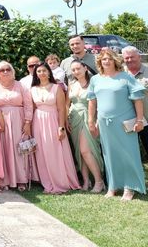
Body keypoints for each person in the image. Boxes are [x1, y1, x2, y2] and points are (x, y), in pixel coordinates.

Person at [87, 50, 146, 201]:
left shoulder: (126, 77)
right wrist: (91, 121)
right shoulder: (95, 79)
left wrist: (139, 120)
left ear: (115, 61)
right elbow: (92, 101)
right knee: (109, 155)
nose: (106, 61)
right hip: (105, 123)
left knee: (128, 154)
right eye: (103, 59)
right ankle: (113, 186)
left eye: (109, 59)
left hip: (125, 122)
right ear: (99, 62)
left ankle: (129, 187)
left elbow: (137, 100)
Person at [30, 62, 80, 194]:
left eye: (44, 71)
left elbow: (61, 109)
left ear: (49, 72)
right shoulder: (33, 88)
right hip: (38, 122)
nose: (42, 73)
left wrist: (61, 127)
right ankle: (47, 182)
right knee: (41, 152)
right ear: (36, 74)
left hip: (53, 121)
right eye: (39, 71)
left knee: (54, 151)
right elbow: (33, 108)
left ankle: (60, 181)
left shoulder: (56, 88)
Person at [0, 61, 33, 191]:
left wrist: (28, 122)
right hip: (0, 122)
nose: (5, 72)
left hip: (19, 120)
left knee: (20, 149)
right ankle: (4, 180)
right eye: (2, 70)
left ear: (12, 71)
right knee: (2, 149)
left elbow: (29, 105)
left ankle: (21, 179)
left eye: (8, 69)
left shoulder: (21, 86)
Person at [67, 60, 104, 192]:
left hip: (89, 118)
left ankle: (99, 181)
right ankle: (86, 181)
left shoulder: (94, 83)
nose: (76, 72)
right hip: (74, 118)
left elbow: (100, 104)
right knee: (79, 152)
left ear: (85, 68)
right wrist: (66, 119)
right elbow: (67, 103)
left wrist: (96, 122)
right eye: (73, 70)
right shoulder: (71, 84)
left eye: (78, 68)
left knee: (86, 150)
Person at [122, 45, 148, 154]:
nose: (129, 60)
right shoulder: (121, 74)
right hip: (128, 119)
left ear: (139, 57)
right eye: (126, 58)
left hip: (147, 118)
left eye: (132, 57)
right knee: (131, 151)